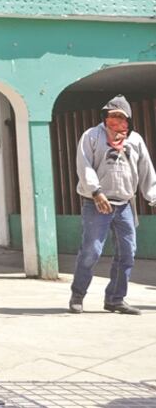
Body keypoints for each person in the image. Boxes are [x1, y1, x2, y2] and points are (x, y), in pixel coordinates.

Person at [70, 95, 156, 315]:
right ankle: (77, 295)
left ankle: (115, 299)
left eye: (121, 117)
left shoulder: (134, 140)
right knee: (91, 251)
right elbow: (84, 165)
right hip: (96, 203)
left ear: (129, 120)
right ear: (105, 117)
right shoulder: (91, 136)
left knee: (127, 252)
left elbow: (146, 170)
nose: (117, 122)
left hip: (125, 205)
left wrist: (152, 195)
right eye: (112, 116)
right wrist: (96, 192)